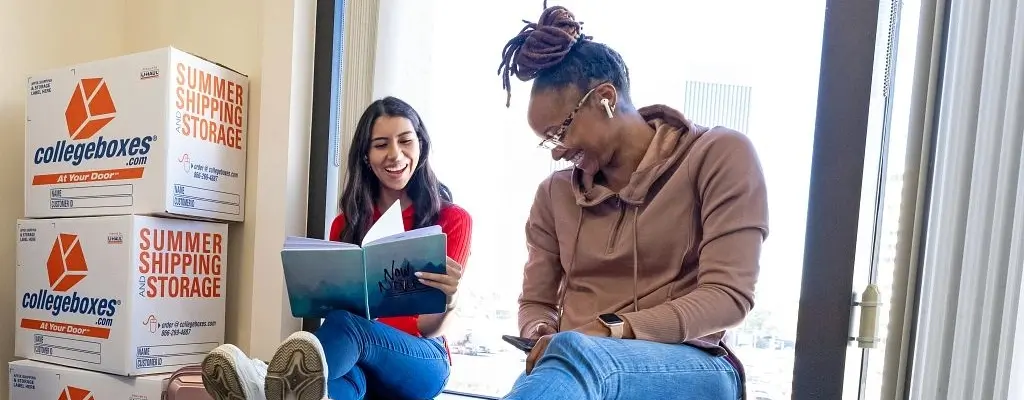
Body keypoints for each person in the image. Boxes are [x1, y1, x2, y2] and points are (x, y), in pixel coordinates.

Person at [495, 6, 769, 400]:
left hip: (693, 362)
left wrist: (609, 329)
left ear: (605, 98)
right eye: (548, 140)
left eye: (562, 132)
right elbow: (536, 301)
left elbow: (729, 297)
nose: (557, 152)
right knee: (569, 355)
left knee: (576, 353)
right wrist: (538, 329)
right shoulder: (553, 195)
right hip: (579, 366)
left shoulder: (720, 154)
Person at [199, 96, 473, 400]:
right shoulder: (346, 224)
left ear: (420, 145)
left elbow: (429, 328)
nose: (395, 155)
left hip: (422, 359)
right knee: (330, 384)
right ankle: (279, 393)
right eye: (381, 145)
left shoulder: (452, 219)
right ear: (366, 156)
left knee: (348, 326)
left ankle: (264, 384)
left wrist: (449, 301)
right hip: (359, 359)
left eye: (405, 141)